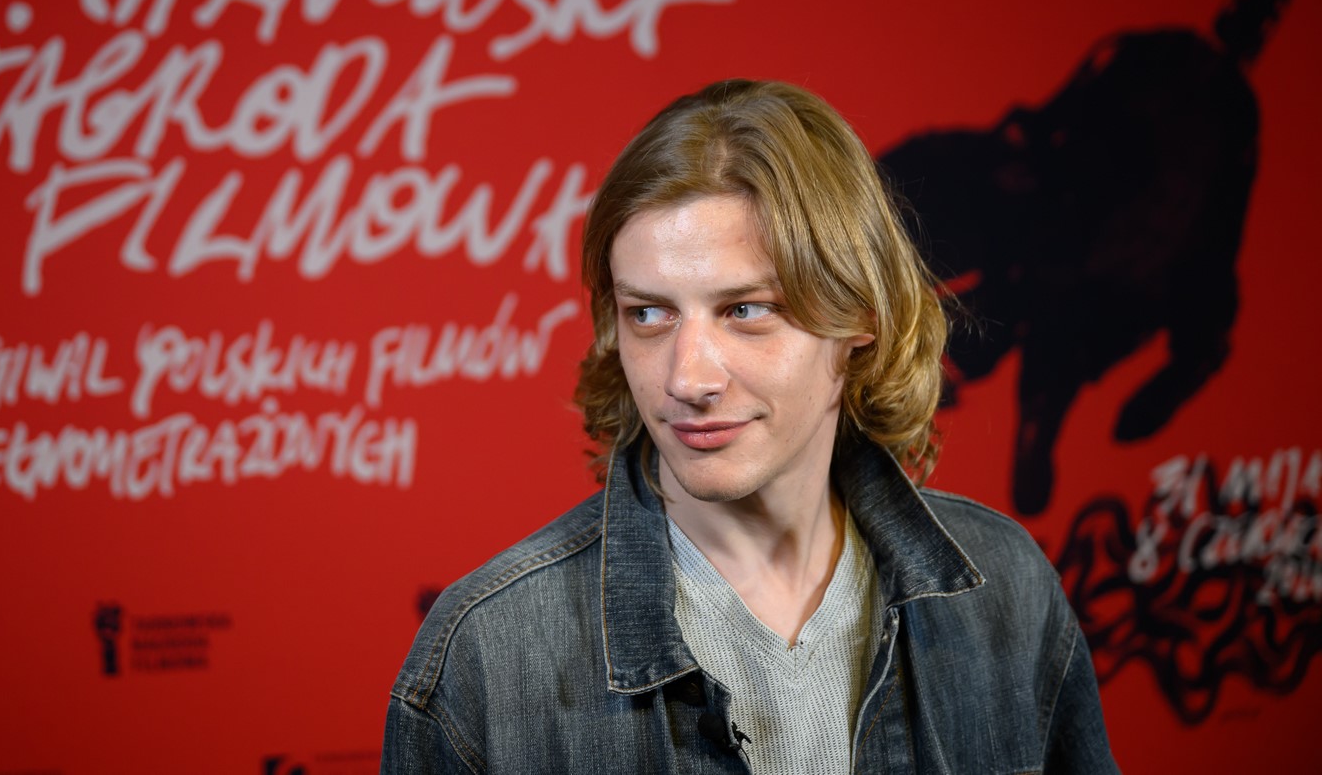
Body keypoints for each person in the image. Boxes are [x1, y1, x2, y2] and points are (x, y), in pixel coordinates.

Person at [381, 80, 1117, 773]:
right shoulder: (488, 656)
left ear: (859, 315)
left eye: (745, 310)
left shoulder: (1005, 591)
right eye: (649, 313)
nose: (687, 378)